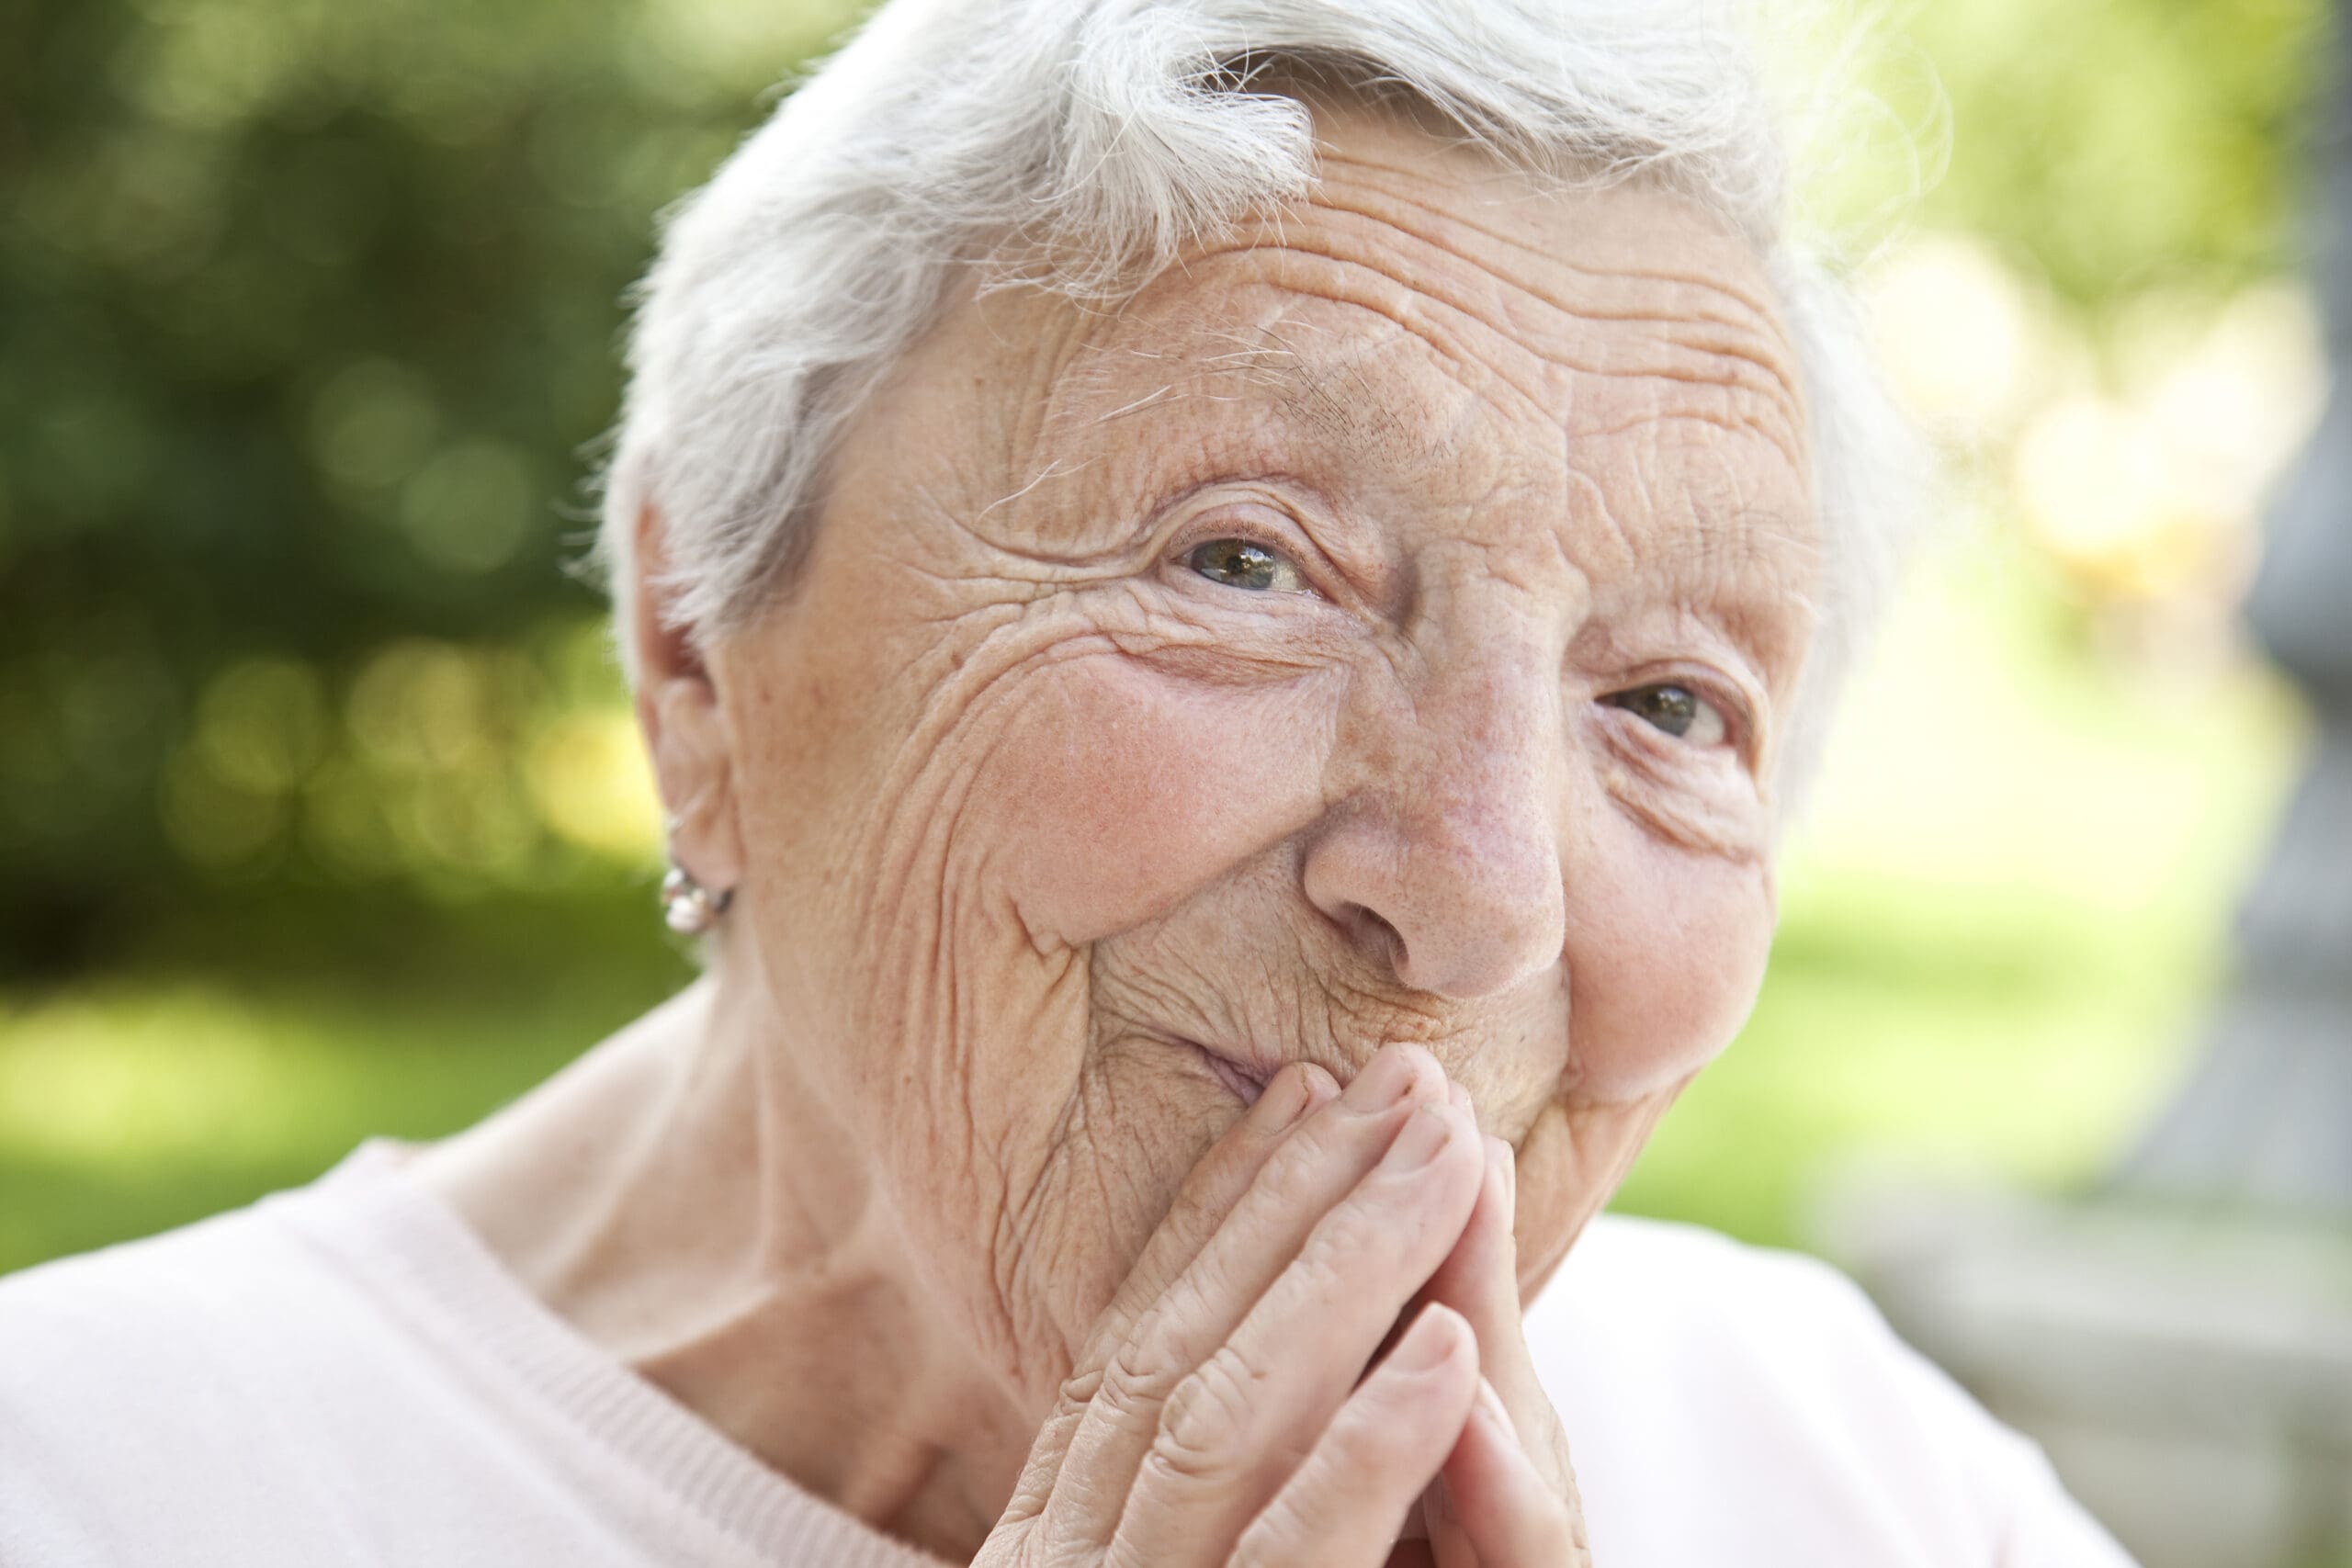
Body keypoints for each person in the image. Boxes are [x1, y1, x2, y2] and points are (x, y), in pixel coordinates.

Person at [0, 1, 2143, 1563]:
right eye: (1242, 561)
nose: (1479, 891)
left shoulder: (1826, 1456)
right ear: (691, 652)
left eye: (1667, 703)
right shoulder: (89, 1475)